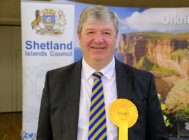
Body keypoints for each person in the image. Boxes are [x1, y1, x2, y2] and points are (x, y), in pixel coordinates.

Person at [37, 5, 168, 140]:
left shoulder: (144, 82)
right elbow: (44, 136)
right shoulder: (55, 81)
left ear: (116, 37)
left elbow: (158, 136)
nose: (99, 40)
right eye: (90, 32)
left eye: (106, 33)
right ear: (79, 37)